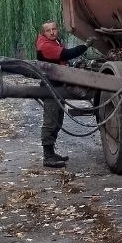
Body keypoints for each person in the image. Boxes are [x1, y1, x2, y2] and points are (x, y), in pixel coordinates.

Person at [35, 21, 89, 168]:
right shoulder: (45, 46)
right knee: (50, 122)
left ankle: (52, 153)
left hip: (58, 87)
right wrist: (85, 46)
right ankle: (48, 156)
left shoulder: (55, 42)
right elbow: (67, 54)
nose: (52, 32)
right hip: (50, 88)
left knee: (58, 121)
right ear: (43, 33)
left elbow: (63, 59)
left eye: (54, 29)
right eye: (48, 30)